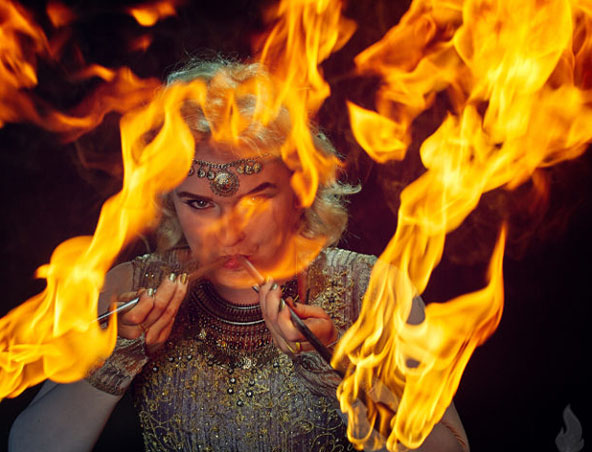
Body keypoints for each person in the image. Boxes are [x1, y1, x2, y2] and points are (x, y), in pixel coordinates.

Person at [9, 59, 469, 452]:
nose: (229, 231)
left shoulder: (370, 290)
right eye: (200, 203)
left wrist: (337, 370)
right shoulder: (133, 289)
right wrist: (116, 361)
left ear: (301, 192)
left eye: (254, 199)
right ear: (172, 203)